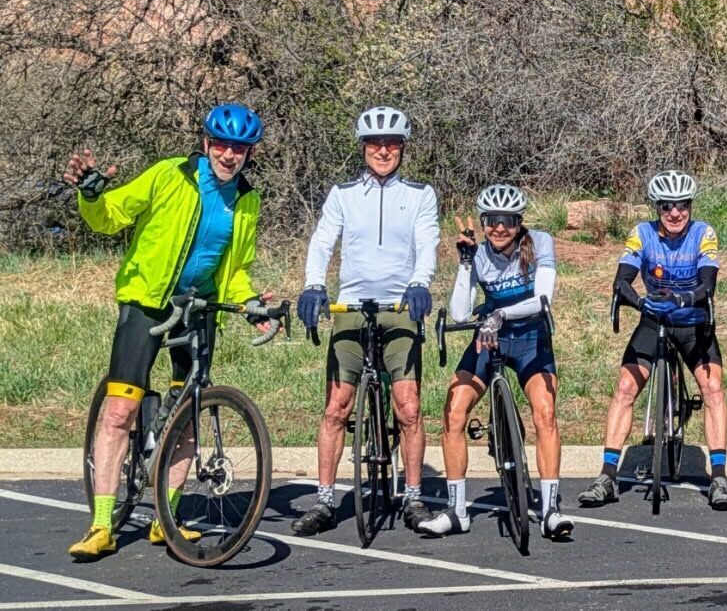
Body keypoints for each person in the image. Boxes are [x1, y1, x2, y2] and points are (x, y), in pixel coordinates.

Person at [65, 104, 275, 560]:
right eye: (222, 145)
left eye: (239, 148)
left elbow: (236, 267)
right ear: (206, 144)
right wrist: (92, 196)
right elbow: (110, 216)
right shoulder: (168, 175)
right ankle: (101, 525)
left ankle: (167, 517)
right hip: (147, 301)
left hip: (198, 308)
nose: (229, 155)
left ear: (250, 153)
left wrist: (250, 302)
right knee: (120, 410)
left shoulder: (247, 199)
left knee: (188, 414)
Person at [293, 106, 440, 536]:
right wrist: (314, 285)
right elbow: (323, 240)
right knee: (336, 407)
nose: (383, 151)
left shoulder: (419, 194)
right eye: (375, 143)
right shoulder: (343, 194)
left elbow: (427, 241)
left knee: (409, 407)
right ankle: (324, 500)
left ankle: (413, 497)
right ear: (363, 147)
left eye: (392, 144)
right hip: (351, 307)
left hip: (400, 308)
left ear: (402, 148)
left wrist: (420, 282)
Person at [418, 184, 573, 540]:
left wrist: (500, 313)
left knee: (545, 412)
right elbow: (460, 313)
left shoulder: (540, 242)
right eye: (491, 221)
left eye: (507, 221)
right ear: (483, 222)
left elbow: (543, 299)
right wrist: (466, 263)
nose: (499, 228)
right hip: (489, 339)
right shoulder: (478, 253)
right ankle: (457, 511)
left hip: (531, 339)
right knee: (454, 412)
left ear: (519, 223)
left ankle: (550, 509)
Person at [578, 170, 727, 511]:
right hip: (654, 320)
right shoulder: (641, 234)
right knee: (625, 388)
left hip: (693, 322)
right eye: (667, 206)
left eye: (682, 206)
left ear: (690, 206)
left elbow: (708, 285)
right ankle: (607, 476)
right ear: (657, 207)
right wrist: (639, 302)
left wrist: (683, 299)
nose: (675, 213)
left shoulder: (703, 233)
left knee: (713, 389)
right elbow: (622, 281)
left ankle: (720, 478)